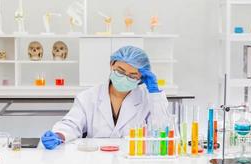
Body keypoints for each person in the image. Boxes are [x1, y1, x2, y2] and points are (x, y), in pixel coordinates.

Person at [41, 46, 170, 150]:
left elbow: (162, 130)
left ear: (141, 78)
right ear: (111, 64)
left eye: (132, 75)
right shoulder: (88, 97)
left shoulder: (149, 99)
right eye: (120, 71)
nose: (125, 77)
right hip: (95, 159)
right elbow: (71, 124)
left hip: (131, 158)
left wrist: (155, 94)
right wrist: (59, 135)